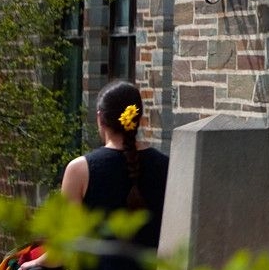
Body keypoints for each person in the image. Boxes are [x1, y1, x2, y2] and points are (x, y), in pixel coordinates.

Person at [22, 82, 169, 270]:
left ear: (100, 118)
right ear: (139, 119)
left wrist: (31, 263)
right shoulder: (166, 165)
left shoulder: (80, 170)